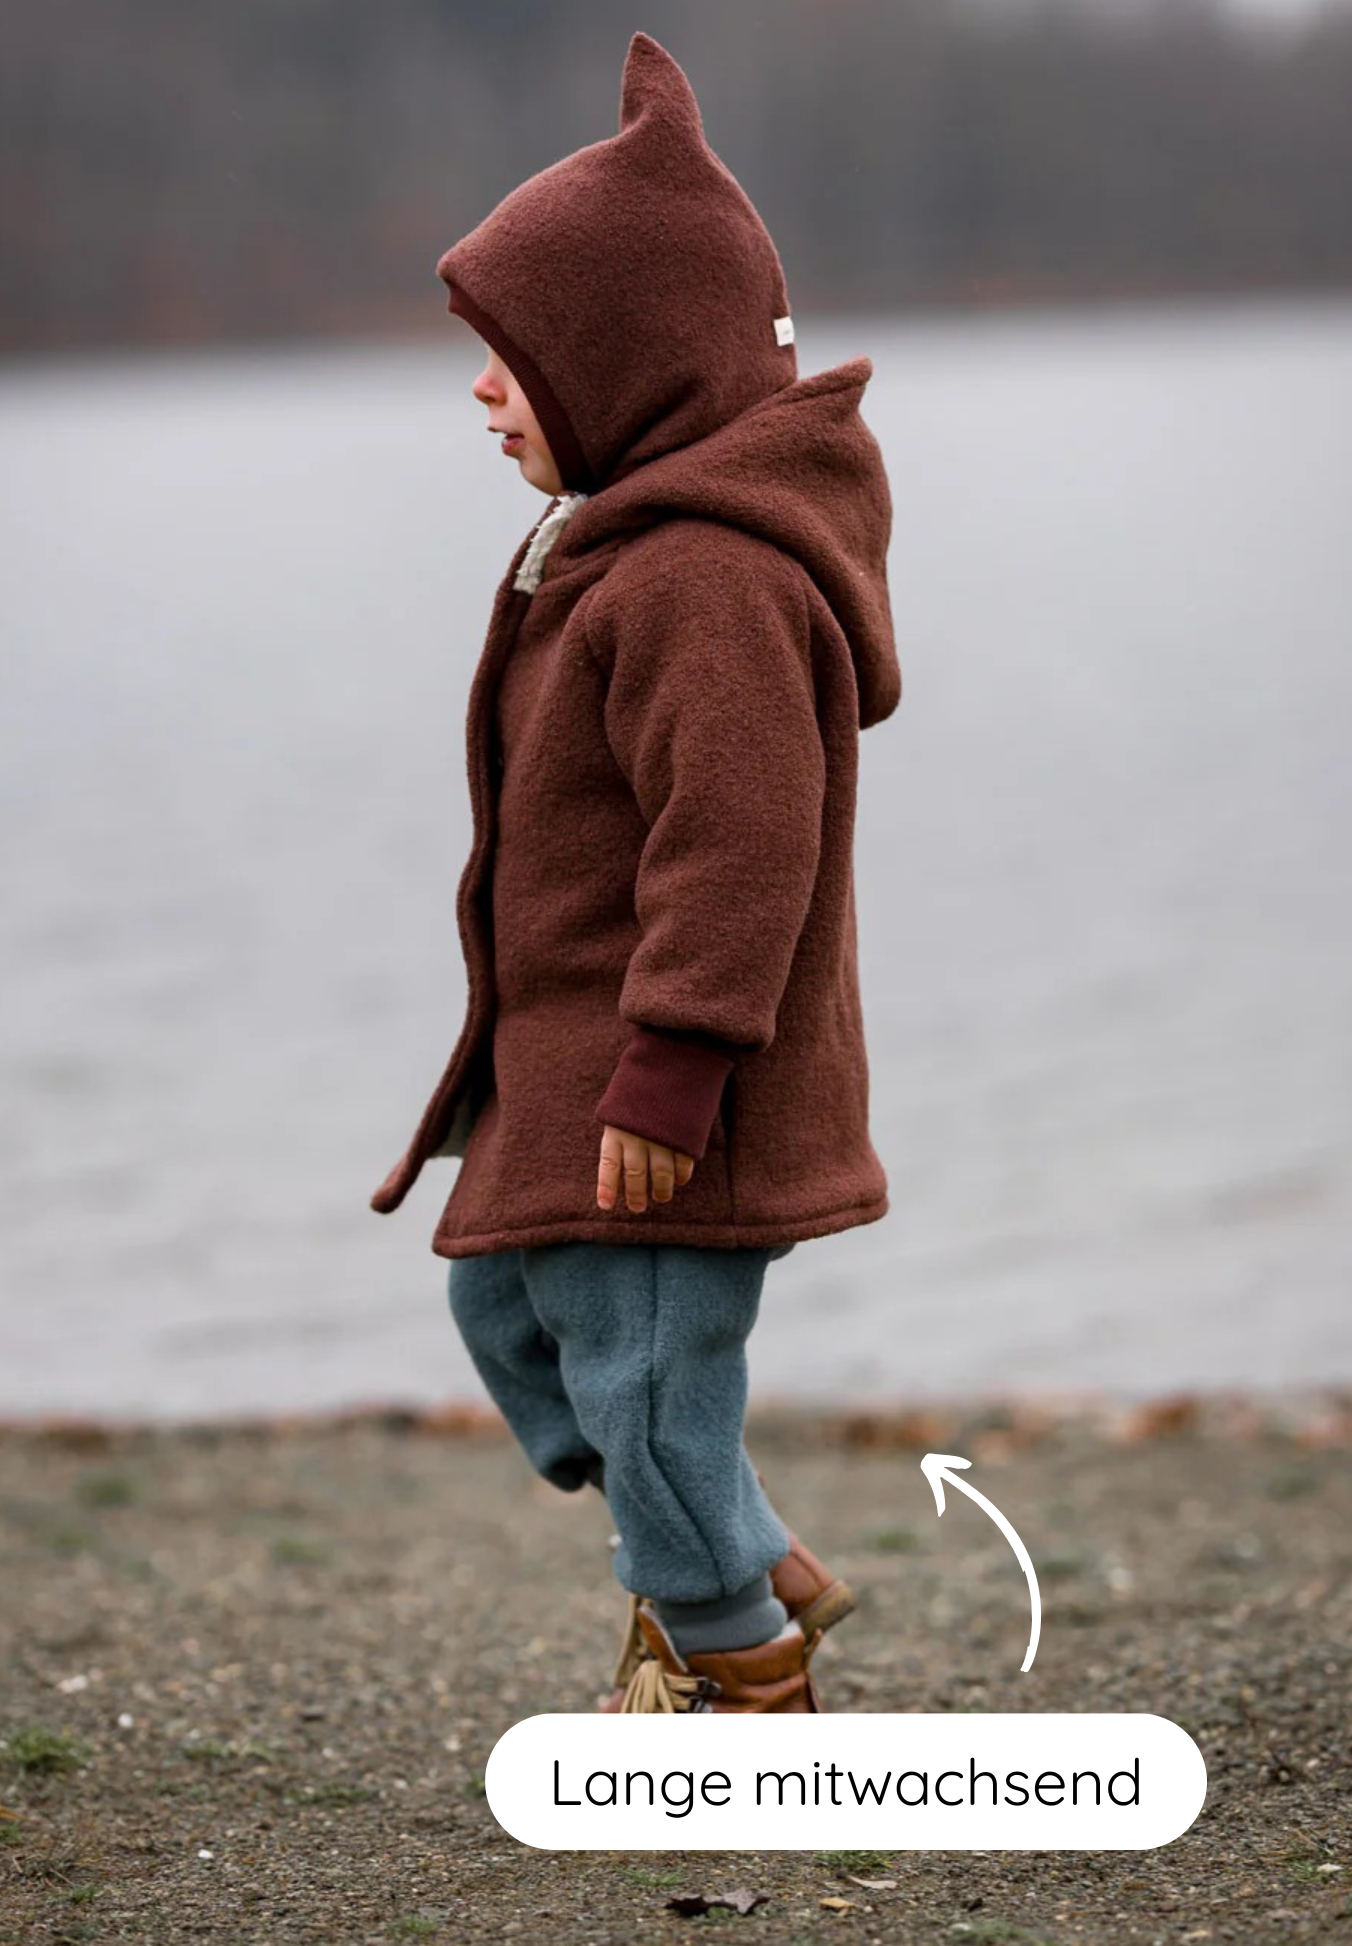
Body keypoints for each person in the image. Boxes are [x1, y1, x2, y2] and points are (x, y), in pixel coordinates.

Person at [370, 32, 901, 1714]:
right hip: (573, 1060)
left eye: (514, 357)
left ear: (627, 364)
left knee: (647, 1377)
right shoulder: (623, 550)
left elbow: (742, 840)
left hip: (668, 1085)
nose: (482, 390)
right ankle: (743, 1547)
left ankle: (738, 1669)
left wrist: (675, 1065)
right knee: (510, 1316)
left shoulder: (706, 579)